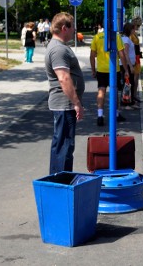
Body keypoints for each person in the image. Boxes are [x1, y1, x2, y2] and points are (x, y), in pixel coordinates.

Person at [44, 12, 85, 174]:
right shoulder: (58, 50)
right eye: (72, 27)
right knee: (63, 146)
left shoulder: (58, 47)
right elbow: (64, 78)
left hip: (64, 104)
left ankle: (60, 181)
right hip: (64, 104)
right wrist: (76, 103)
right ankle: (60, 183)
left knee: (63, 145)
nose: (74, 31)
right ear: (64, 28)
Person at [90, 22, 129, 126]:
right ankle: (116, 114)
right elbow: (122, 54)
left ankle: (100, 115)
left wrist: (93, 70)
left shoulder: (97, 37)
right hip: (113, 69)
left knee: (101, 91)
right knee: (114, 92)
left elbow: (92, 56)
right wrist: (126, 69)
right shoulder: (116, 36)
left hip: (101, 70)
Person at [121, 22, 138, 110]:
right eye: (132, 29)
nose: (134, 31)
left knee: (129, 83)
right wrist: (130, 66)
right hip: (127, 65)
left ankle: (130, 102)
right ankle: (126, 103)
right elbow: (126, 54)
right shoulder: (126, 40)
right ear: (129, 30)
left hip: (129, 64)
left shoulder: (126, 39)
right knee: (127, 84)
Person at [131, 16, 143, 102]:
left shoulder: (134, 33)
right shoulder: (131, 34)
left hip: (137, 56)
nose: (138, 27)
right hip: (134, 57)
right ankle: (132, 96)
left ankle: (134, 95)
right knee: (134, 78)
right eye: (137, 26)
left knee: (136, 76)